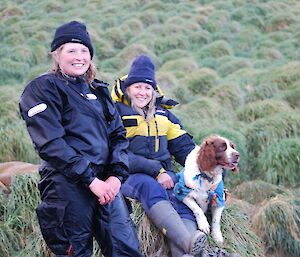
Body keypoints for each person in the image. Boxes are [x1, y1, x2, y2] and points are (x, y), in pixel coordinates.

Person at [19, 20, 143, 257]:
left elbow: (118, 135)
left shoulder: (98, 90)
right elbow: (50, 143)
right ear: (57, 55)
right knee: (75, 252)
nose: (79, 56)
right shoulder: (43, 88)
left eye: (84, 50)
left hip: (107, 186)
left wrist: (116, 176)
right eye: (71, 50)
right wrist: (90, 180)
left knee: (126, 249)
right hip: (67, 185)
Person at [111, 55, 208, 257]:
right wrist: (157, 171)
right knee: (150, 187)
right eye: (137, 87)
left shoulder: (164, 115)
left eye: (148, 88)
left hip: (166, 175)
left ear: (154, 91)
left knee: (181, 198)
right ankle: (190, 244)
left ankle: (184, 253)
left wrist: (208, 172)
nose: (143, 92)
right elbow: (115, 153)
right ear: (128, 89)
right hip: (128, 175)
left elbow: (184, 149)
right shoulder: (115, 113)